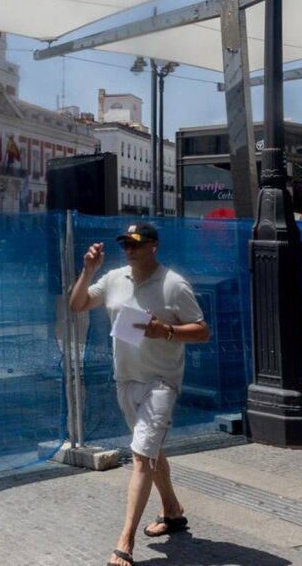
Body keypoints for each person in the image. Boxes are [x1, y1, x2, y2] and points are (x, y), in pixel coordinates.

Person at [69, 223, 210, 566]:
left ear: (153, 246)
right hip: (126, 379)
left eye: (136, 243)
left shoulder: (173, 285)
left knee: (140, 456)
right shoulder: (116, 278)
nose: (129, 248)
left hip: (162, 382)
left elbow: (202, 331)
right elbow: (77, 304)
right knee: (150, 450)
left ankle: (124, 542)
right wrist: (88, 271)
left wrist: (166, 331)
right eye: (125, 243)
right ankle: (173, 512)